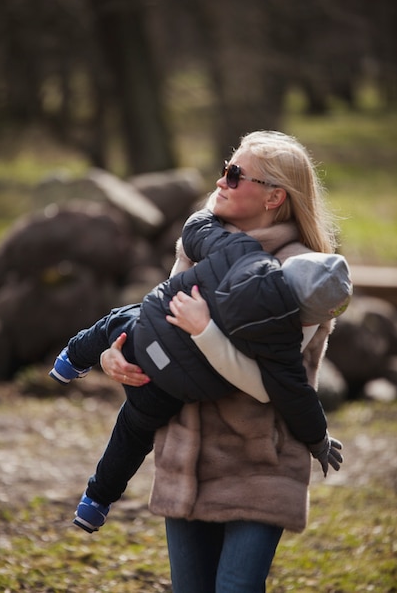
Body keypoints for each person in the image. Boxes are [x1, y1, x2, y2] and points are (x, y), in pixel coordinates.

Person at [99, 130, 346, 593]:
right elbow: (159, 327)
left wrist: (205, 331)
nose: (221, 182)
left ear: (275, 196)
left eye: (235, 174)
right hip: (185, 463)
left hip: (258, 468)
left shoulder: (307, 274)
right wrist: (116, 355)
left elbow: (271, 383)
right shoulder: (199, 242)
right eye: (224, 169)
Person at [50, 208, 351, 533]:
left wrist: (206, 216)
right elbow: (297, 397)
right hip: (165, 387)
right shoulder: (284, 341)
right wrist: (318, 439)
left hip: (142, 337)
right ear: (310, 318)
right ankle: (95, 502)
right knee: (132, 436)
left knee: (115, 321)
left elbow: (194, 233)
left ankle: (70, 361)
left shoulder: (241, 251)